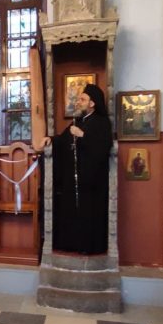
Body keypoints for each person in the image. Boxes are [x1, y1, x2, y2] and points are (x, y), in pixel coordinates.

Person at [39, 84, 113, 255]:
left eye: (82, 99)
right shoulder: (78, 121)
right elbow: (63, 139)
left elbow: (103, 147)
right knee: (72, 212)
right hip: (74, 179)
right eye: (79, 99)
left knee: (90, 213)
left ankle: (89, 246)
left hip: (92, 182)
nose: (78, 102)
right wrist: (51, 139)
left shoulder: (102, 122)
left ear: (92, 103)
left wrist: (83, 135)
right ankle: (72, 244)